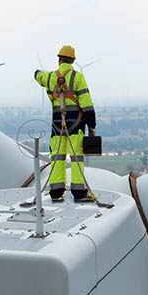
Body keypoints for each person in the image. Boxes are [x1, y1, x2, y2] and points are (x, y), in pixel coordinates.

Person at [34, 45, 95, 201]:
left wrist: (37, 73)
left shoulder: (50, 77)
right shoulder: (78, 77)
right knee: (76, 158)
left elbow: (38, 76)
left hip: (57, 126)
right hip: (76, 125)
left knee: (57, 158)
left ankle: (56, 192)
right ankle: (79, 193)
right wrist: (91, 125)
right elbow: (86, 102)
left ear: (59, 59)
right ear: (73, 61)